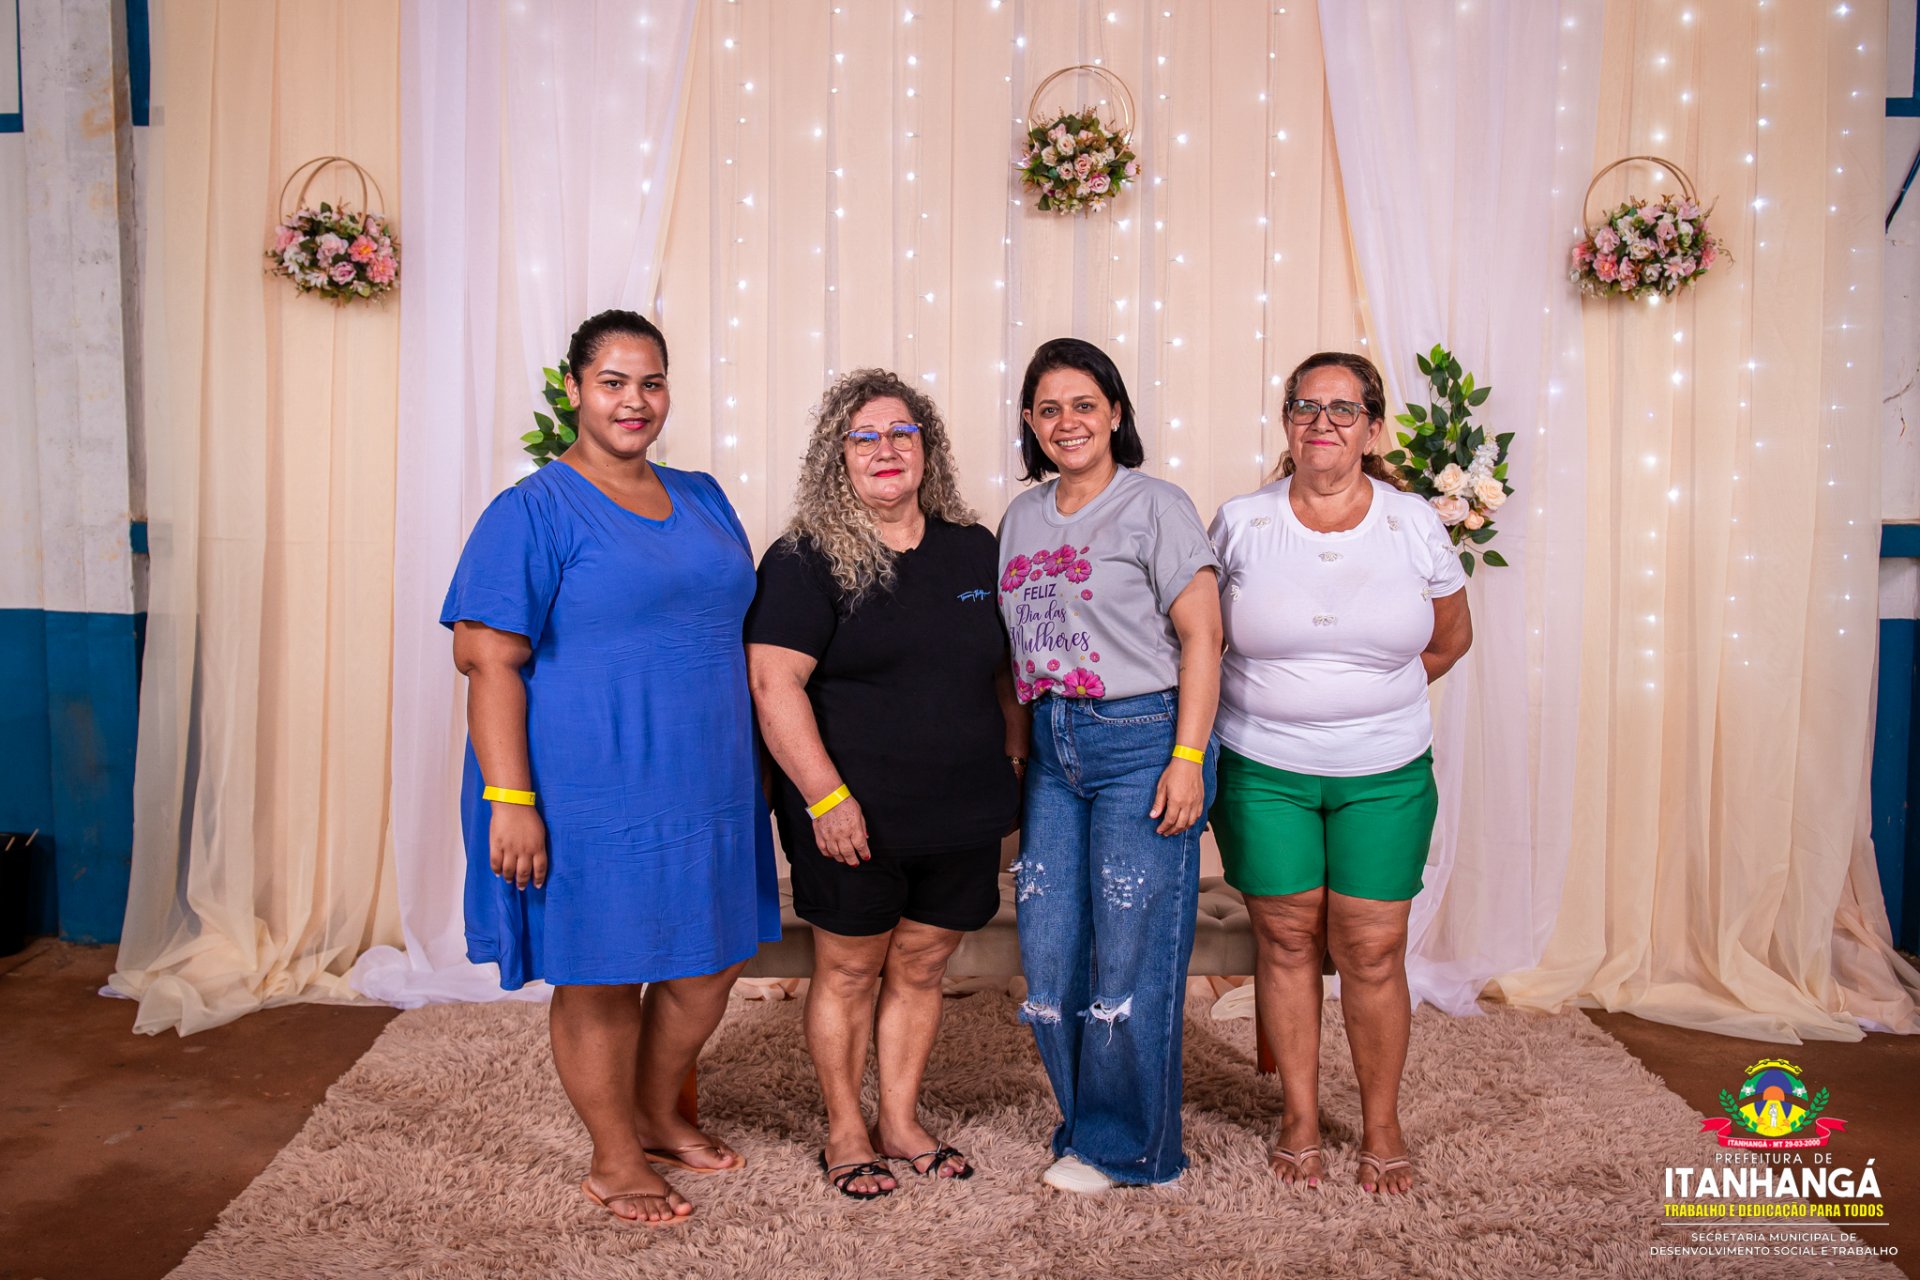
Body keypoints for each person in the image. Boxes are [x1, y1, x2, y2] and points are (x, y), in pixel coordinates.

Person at [443, 310, 780, 1227]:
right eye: (614, 382)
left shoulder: (704, 495)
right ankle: (614, 1155)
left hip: (707, 782)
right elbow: (487, 660)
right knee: (600, 970)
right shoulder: (531, 511)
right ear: (574, 391)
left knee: (710, 961)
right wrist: (510, 799)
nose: (635, 401)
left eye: (652, 383)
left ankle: (655, 1111)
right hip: (585, 787)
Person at [747, 369, 1026, 1200]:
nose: (886, 449)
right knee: (848, 972)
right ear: (837, 456)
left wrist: (1012, 761)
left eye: (903, 432)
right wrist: (826, 799)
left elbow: (1006, 672)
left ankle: (901, 1121)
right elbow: (773, 684)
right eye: (864, 436)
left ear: (927, 448)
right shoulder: (804, 559)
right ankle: (845, 1129)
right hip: (850, 818)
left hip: (961, 813)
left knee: (922, 965)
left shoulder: (972, 549)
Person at [1207, 350, 1472, 1196]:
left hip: (1384, 773)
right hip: (1264, 770)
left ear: (1372, 427)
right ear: (1287, 421)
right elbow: (1203, 642)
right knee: (1286, 940)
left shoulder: (1412, 523)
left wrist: (1365, 703)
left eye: (1343, 408)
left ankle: (1381, 1124)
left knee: (1373, 947)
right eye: (1306, 406)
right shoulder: (1241, 523)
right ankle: (1300, 1118)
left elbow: (1451, 639)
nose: (1323, 422)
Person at [996, 337, 1222, 1193]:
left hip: (1144, 738)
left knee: (1130, 953)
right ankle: (1087, 1125)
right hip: (1054, 749)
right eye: (1049, 408)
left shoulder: (1156, 505)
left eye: (1085, 404)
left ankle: (1135, 1153)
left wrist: (1187, 757)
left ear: (1116, 412)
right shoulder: (1020, 518)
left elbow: (1204, 636)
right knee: (1050, 956)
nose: (1068, 422)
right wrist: (1020, 755)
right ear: (1029, 421)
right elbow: (1015, 653)